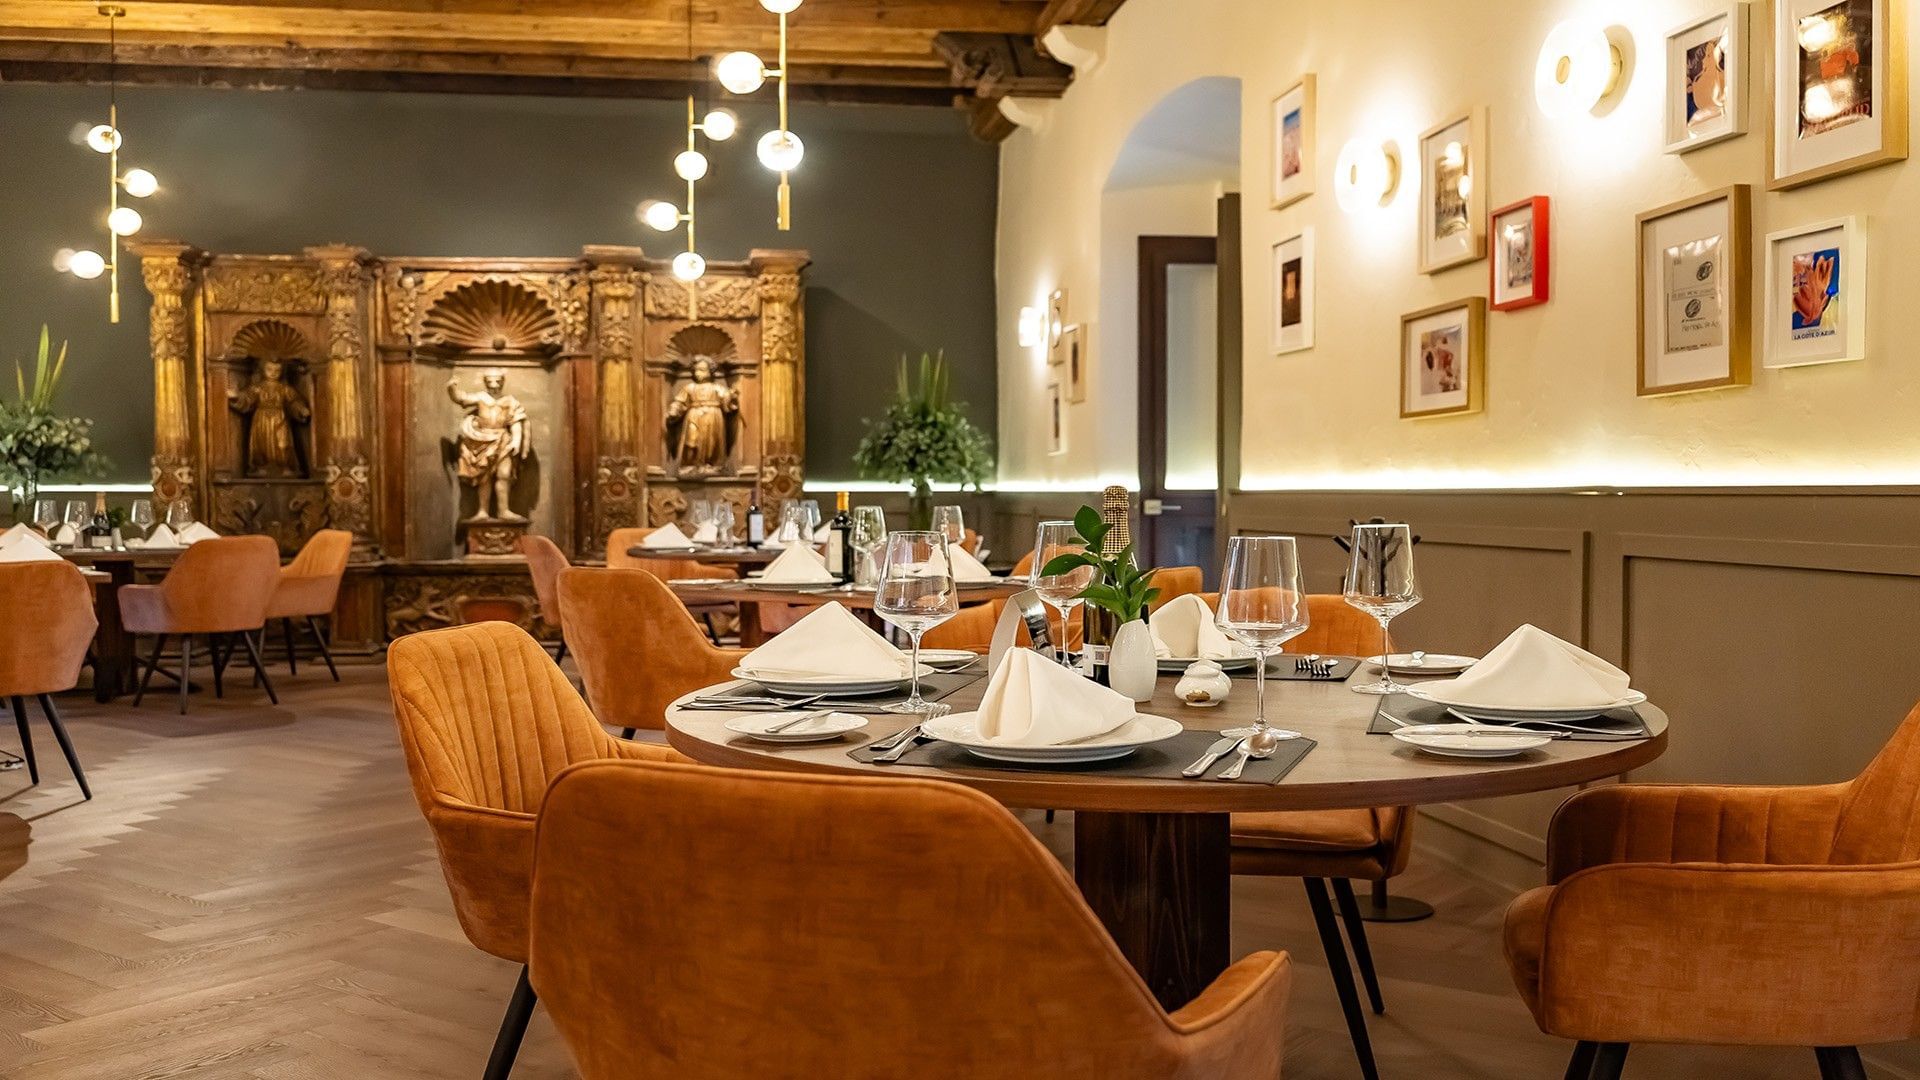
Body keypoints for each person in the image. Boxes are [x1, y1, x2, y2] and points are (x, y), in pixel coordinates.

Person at [447, 368, 530, 521]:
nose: (494, 385)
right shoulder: (481, 397)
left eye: (498, 381)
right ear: (485, 382)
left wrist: (516, 440)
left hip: (503, 441)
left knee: (504, 475)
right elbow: (460, 398)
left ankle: (503, 511)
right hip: (482, 440)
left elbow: (516, 422)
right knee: (484, 478)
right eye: (490, 381)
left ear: (502, 382)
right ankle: (482, 512)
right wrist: (451, 388)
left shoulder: (510, 401)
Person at [228, 357, 310, 477]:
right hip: (261, 419)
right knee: (260, 444)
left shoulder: (285, 389)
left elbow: (294, 401)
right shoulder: (258, 387)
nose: (273, 373)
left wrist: (301, 409)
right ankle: (260, 466)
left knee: (283, 444)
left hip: (280, 419)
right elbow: (247, 398)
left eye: (277, 370)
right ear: (263, 370)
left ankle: (286, 466)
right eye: (269, 369)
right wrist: (236, 396)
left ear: (282, 372)